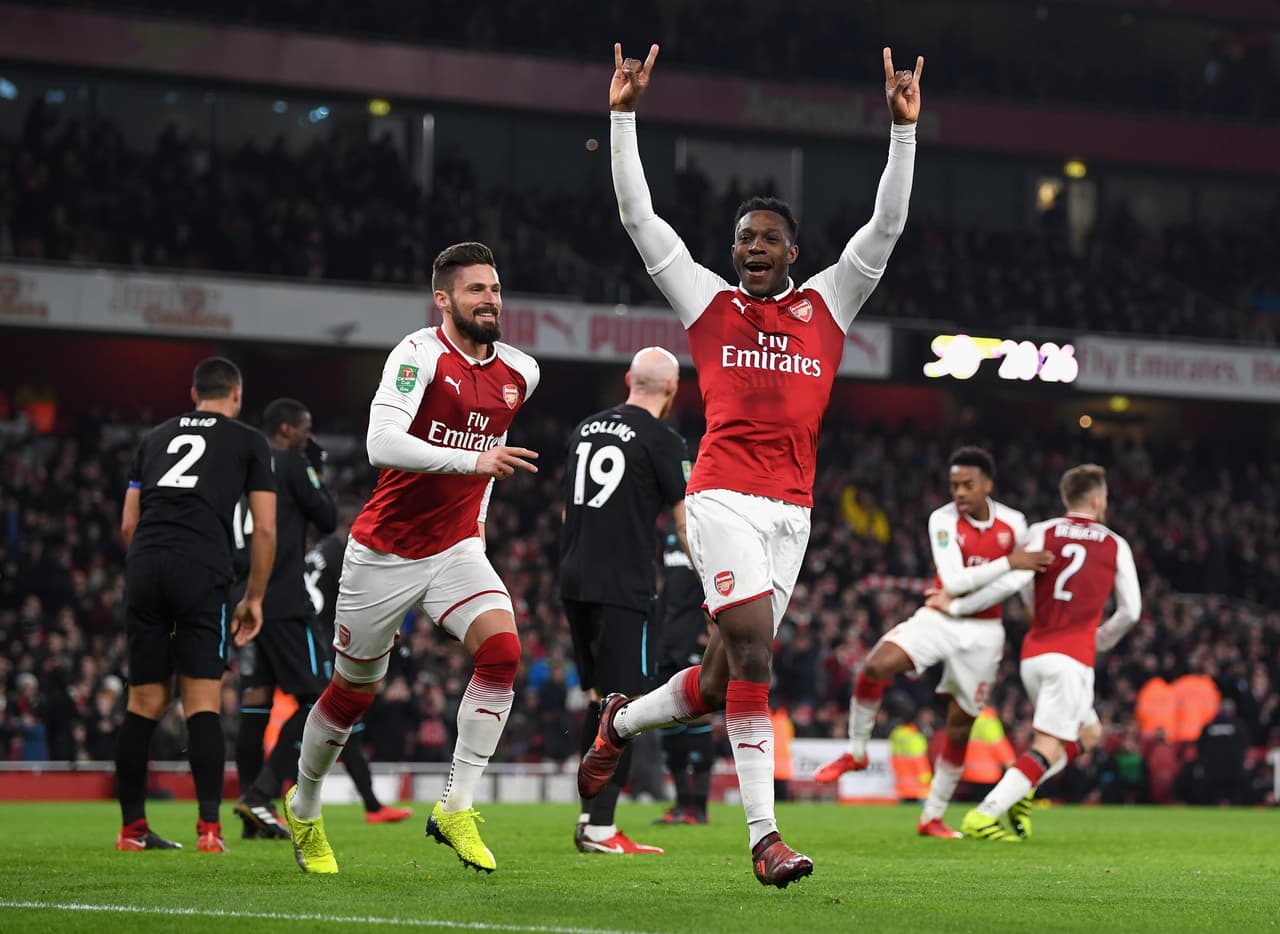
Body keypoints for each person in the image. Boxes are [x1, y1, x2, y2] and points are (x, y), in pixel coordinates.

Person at [578, 43, 923, 888]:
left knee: (723, 675)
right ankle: (765, 838)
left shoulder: (829, 304)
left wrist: (902, 132)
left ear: (793, 251)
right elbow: (639, 219)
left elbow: (885, 231)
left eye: (768, 237)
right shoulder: (708, 303)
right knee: (756, 651)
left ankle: (619, 726)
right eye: (743, 238)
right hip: (721, 496)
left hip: (792, 512)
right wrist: (623, 114)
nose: (752, 247)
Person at [283, 242, 540, 875]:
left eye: (496, 289)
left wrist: (474, 527)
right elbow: (381, 443)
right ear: (444, 299)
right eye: (476, 289)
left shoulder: (521, 373)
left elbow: (490, 453)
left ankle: (455, 805)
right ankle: (306, 806)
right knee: (352, 693)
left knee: (504, 654)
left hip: (455, 549)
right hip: (383, 553)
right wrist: (471, 460)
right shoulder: (417, 354)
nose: (490, 300)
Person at [813, 446, 1050, 838]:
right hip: (938, 619)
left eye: (967, 485)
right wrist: (1009, 562)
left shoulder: (1014, 522)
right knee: (875, 665)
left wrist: (970, 602)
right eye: (954, 484)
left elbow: (1018, 582)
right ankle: (855, 752)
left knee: (960, 727)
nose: (959, 492)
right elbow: (955, 580)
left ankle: (932, 817)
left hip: (984, 633)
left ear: (987, 485)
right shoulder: (941, 519)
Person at [925, 464, 1141, 841]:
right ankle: (985, 813)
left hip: (1035, 653)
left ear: (1065, 498)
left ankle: (1022, 788)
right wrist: (1100, 639)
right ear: (1097, 499)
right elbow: (1131, 611)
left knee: (1089, 733)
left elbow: (1017, 583)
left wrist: (963, 605)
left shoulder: (1041, 532)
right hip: (1072, 658)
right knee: (1047, 745)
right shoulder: (1114, 543)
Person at [116, 356, 277, 853]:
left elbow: (127, 525)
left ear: (193, 394)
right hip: (201, 568)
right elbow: (265, 527)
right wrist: (254, 597)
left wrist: (151, 567)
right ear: (237, 395)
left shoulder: (154, 438)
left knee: (142, 702)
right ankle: (209, 830)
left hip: (145, 564)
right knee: (201, 701)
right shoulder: (249, 439)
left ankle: (132, 831)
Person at [560, 347, 690, 856]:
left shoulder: (584, 429)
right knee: (627, 707)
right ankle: (601, 828)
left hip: (574, 579)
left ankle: (589, 816)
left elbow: (570, 511)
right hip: (624, 587)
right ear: (673, 390)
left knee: (598, 700)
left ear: (627, 380)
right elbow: (683, 522)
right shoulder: (664, 438)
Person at [230, 398, 337, 840]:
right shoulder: (291, 462)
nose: (310, 436)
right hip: (282, 601)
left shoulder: (239, 466)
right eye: (306, 428)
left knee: (256, 703)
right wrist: (314, 469)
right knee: (321, 699)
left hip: (241, 599)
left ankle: (256, 817)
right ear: (289, 430)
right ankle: (261, 793)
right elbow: (328, 518)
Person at [303, 498, 414, 824]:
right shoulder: (348, 554)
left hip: (304, 634)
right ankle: (268, 791)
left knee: (343, 721)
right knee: (325, 716)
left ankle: (372, 805)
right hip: (324, 641)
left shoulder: (320, 552)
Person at [651, 532, 713, 826]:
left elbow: (715, 585)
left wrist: (710, 636)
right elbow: (667, 590)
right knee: (669, 722)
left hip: (694, 639)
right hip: (668, 642)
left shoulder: (706, 532)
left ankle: (699, 807)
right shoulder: (672, 539)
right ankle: (681, 804)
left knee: (699, 716)